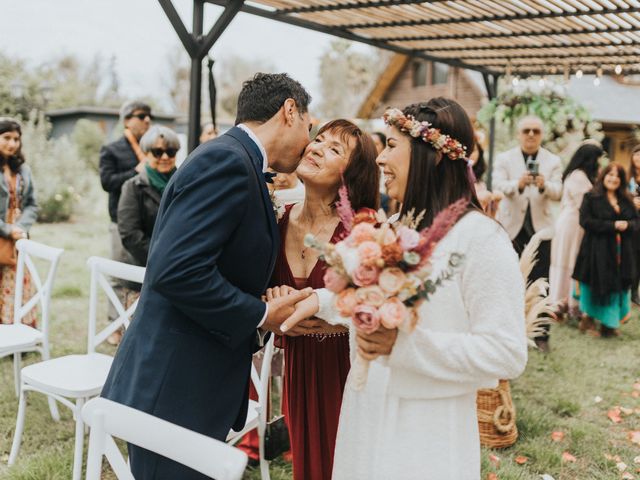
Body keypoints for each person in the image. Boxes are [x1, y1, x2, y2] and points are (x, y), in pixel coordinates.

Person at [281, 98, 527, 479]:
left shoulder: (481, 238)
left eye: (393, 145)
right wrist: (319, 300)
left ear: (435, 156)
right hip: (366, 410)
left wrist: (405, 347)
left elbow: (507, 352)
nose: (380, 159)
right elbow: (372, 294)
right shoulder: (394, 226)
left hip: (426, 430)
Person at [101, 73, 315, 480]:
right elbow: (176, 270)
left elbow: (217, 261)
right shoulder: (227, 162)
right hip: (175, 386)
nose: (309, 139)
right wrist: (258, 315)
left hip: (191, 382)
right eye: (309, 125)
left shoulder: (238, 161)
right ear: (289, 110)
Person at [270, 120, 379, 480]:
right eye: (318, 140)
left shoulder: (363, 230)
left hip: (348, 371)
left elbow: (376, 302)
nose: (316, 148)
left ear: (352, 175)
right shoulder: (278, 220)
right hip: (300, 368)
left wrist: (332, 314)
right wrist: (273, 298)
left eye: (334, 149)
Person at [492, 115, 562, 352]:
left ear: (541, 135)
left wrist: (543, 184)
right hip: (512, 231)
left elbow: (558, 191)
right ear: (518, 134)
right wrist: (518, 184)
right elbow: (497, 185)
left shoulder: (552, 161)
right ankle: (511, 331)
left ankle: (541, 334)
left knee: (542, 283)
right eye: (526, 131)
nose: (531, 135)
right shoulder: (504, 158)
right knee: (509, 281)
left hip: (541, 232)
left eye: (535, 131)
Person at [99, 100, 152, 344]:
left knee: (139, 274)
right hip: (121, 221)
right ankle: (114, 326)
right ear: (127, 119)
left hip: (147, 223)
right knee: (118, 275)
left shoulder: (151, 147)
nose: (147, 120)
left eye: (149, 116)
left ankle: (135, 322)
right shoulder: (112, 149)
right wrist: (136, 170)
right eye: (141, 115)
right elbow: (107, 182)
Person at [573, 163, 638, 337]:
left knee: (617, 286)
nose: (613, 178)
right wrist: (612, 225)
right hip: (596, 250)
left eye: (617, 176)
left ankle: (609, 324)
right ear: (603, 176)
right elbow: (585, 221)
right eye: (610, 174)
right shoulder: (591, 197)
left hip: (621, 253)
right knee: (594, 283)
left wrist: (627, 225)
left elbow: (635, 222)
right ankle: (588, 320)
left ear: (621, 180)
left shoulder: (626, 199)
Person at [549, 142, 602, 319]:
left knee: (572, 262)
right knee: (567, 262)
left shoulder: (581, 175)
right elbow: (585, 204)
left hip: (575, 223)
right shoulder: (578, 176)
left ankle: (570, 302)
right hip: (572, 224)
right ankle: (561, 303)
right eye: (598, 159)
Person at [117, 126, 180, 268]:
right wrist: (163, 260)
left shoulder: (185, 184)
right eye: (157, 152)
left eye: (170, 152)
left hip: (180, 267)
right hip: (142, 269)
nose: (165, 157)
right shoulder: (132, 187)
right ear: (146, 153)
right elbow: (131, 235)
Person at [0, 118, 38, 326]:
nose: (12, 143)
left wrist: (20, 227)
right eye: (6, 138)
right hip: (3, 234)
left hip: (19, 237)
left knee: (19, 282)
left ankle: (18, 330)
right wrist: (7, 229)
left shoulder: (23, 169)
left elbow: (33, 204)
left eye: (16, 139)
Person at [627, 144, 640, 304]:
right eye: (636, 155)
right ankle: (626, 290)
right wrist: (632, 201)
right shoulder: (626, 176)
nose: (638, 158)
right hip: (630, 221)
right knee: (628, 256)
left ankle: (634, 292)